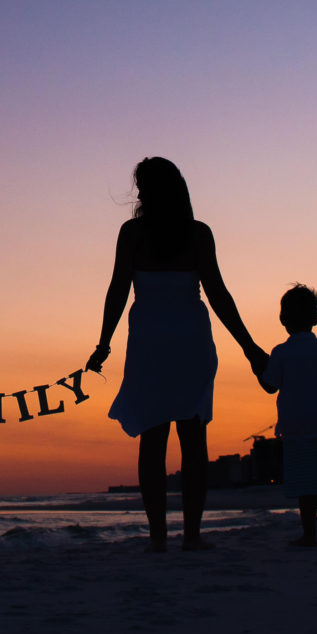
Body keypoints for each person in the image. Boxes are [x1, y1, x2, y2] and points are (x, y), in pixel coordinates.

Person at [86, 157, 266, 552]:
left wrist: (104, 343)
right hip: (187, 341)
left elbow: (119, 288)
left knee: (158, 439)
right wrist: (249, 347)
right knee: (189, 438)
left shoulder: (133, 233)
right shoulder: (196, 234)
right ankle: (190, 536)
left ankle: (162, 538)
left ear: (155, 190)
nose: (139, 193)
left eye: (144, 186)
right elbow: (217, 294)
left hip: (152, 343)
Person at [257, 284, 317, 547]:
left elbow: (271, 385)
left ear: (283, 319)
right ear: (316, 318)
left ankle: (309, 534)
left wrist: (258, 366)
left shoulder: (281, 353)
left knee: (307, 487)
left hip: (298, 431)